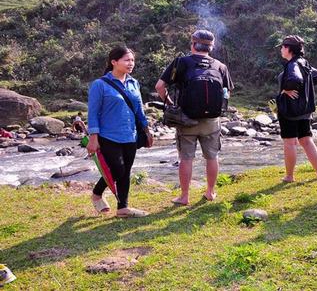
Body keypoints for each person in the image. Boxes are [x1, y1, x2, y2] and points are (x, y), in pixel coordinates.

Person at [155, 29, 232, 205]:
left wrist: (171, 104)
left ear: (192, 44)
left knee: (186, 158)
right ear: (211, 47)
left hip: (186, 119)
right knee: (212, 157)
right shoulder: (220, 66)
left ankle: (184, 196)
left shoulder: (181, 62)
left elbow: (160, 86)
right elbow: (227, 93)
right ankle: (210, 192)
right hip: (212, 121)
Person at [87, 45, 153, 217]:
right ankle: (96, 194)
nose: (130, 63)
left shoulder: (134, 83)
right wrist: (93, 138)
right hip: (108, 135)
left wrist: (147, 131)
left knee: (126, 171)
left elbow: (139, 109)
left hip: (130, 135)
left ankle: (123, 208)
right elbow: (93, 113)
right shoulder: (99, 85)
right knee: (117, 169)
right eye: (126, 60)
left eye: (132, 60)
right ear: (114, 62)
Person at [276, 35, 317, 182]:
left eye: (282, 47)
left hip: (290, 110)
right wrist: (306, 89)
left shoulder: (292, 64)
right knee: (306, 140)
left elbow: (295, 79)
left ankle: (289, 176)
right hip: (304, 110)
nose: (281, 49)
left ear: (288, 49)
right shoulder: (304, 63)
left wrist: (286, 89)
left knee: (290, 142)